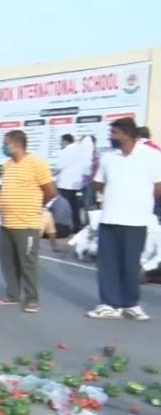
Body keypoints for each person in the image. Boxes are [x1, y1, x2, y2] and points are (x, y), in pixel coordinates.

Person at [88, 117, 161, 320]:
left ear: (127, 134)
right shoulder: (108, 158)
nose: (111, 137)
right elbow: (98, 183)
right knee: (108, 264)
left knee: (131, 264)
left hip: (137, 221)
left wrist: (139, 201)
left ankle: (131, 304)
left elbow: (158, 186)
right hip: (110, 218)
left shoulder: (152, 156)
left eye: (114, 133)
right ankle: (109, 304)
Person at [0, 129, 57, 313]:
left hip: (27, 224)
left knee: (27, 263)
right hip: (7, 223)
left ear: (16, 144)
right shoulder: (7, 165)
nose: (4, 147)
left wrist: (37, 206)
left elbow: (51, 191)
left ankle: (31, 298)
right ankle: (12, 295)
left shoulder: (37, 164)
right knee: (8, 262)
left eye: (6, 143)